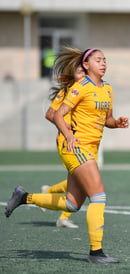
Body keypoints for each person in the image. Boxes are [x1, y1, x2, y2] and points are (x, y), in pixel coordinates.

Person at [5, 47, 129, 263]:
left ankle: (24, 197)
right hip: (74, 147)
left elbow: (107, 118)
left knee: (72, 204)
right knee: (99, 196)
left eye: (105, 60)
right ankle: (96, 253)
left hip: (90, 148)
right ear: (85, 65)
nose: (103, 63)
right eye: (98, 60)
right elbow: (56, 114)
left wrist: (116, 123)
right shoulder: (79, 87)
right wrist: (69, 135)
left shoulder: (107, 89)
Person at [39, 64, 86, 229]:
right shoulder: (68, 91)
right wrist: (68, 128)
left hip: (81, 142)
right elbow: (50, 114)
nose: (84, 74)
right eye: (80, 71)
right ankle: (56, 209)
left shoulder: (86, 90)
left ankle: (50, 193)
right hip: (67, 142)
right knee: (85, 181)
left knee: (81, 182)